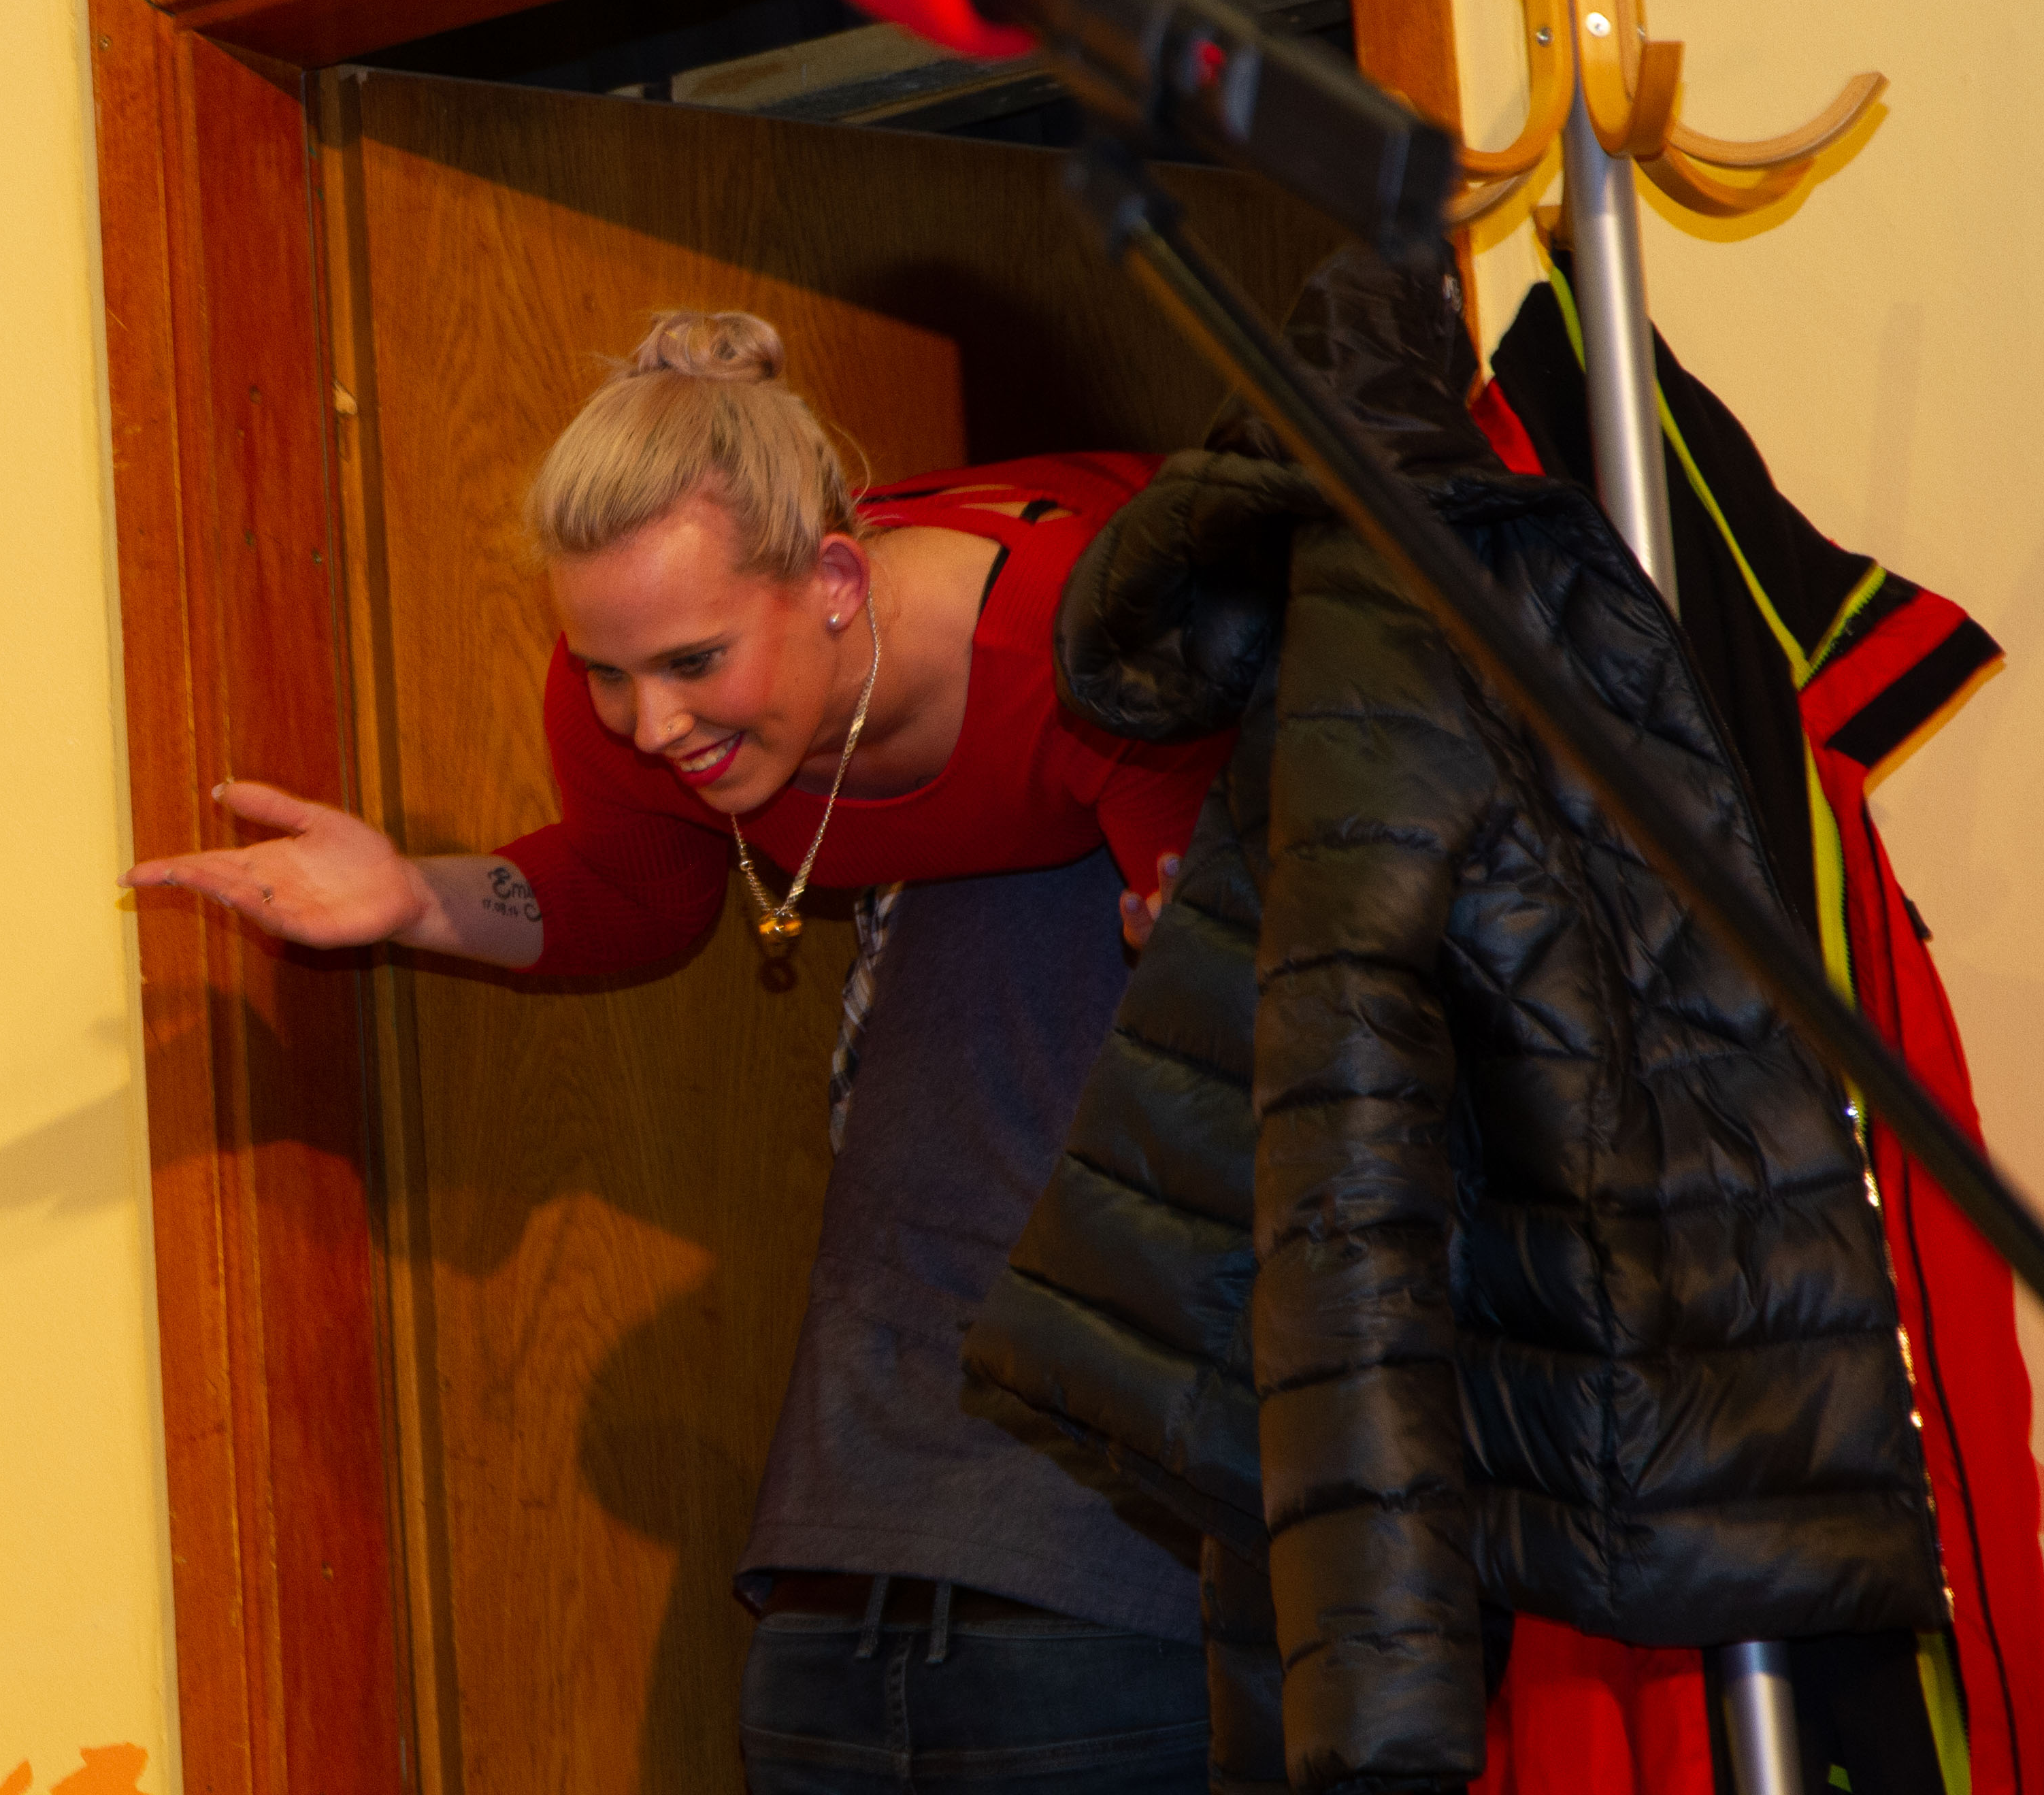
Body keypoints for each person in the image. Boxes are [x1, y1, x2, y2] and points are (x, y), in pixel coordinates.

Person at [126, 310, 1225, 1790]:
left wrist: (1214, 947)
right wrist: (414, 900)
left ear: (837, 584)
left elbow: (1246, 1005)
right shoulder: (634, 702)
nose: (650, 726)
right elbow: (637, 897)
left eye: (695, 661)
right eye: (607, 670)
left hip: (1153, 623)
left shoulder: (1090, 649)